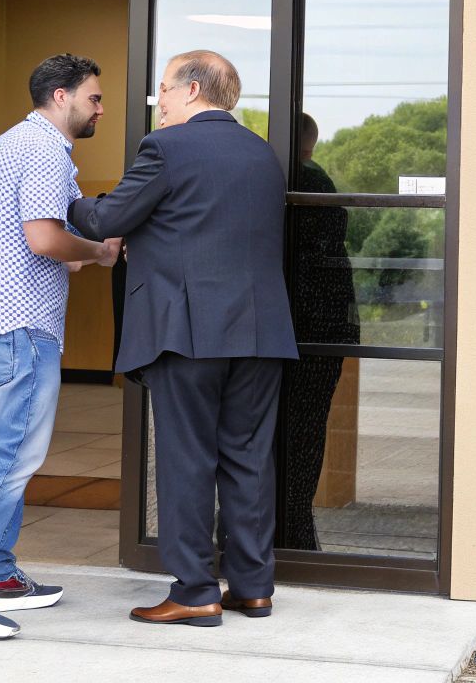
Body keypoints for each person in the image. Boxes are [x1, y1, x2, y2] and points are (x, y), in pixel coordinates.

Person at [69, 50, 298, 626]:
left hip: (189, 333)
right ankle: (253, 587)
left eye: (164, 90)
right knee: (248, 459)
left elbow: (104, 220)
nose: (160, 101)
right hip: (261, 333)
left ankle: (195, 590)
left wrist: (62, 194)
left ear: (193, 90)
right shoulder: (262, 154)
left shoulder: (166, 148)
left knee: (187, 460)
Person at [0, 54, 119, 641]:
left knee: (7, 449)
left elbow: (33, 238)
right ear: (61, 97)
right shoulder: (42, 151)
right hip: (19, 326)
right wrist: (100, 251)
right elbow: (42, 237)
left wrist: (74, 251)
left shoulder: (11, 142)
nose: (101, 108)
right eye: (94, 98)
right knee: (13, 455)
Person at [281, 113, 359, 550]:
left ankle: (289, 527)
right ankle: (294, 527)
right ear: (311, 141)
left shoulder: (302, 181)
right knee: (306, 432)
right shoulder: (316, 180)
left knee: (290, 432)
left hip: (305, 325)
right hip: (324, 325)